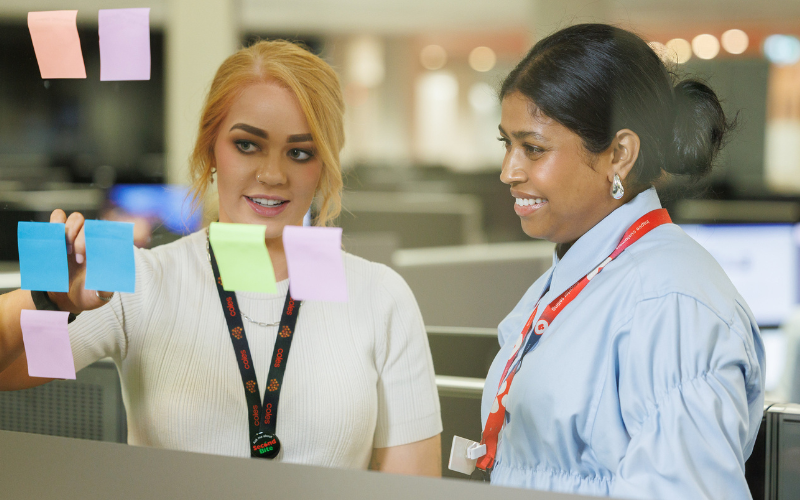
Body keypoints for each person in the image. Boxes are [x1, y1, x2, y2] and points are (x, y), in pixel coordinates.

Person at [0, 40, 442, 475]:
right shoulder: (142, 280)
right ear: (211, 150)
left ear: (324, 165)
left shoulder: (381, 296)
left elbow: (410, 484)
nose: (272, 174)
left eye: (300, 152)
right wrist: (46, 299)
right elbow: (9, 372)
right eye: (247, 145)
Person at [476, 24, 765, 498]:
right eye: (506, 144)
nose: (509, 171)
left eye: (533, 148)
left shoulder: (671, 303)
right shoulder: (585, 272)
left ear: (620, 155)